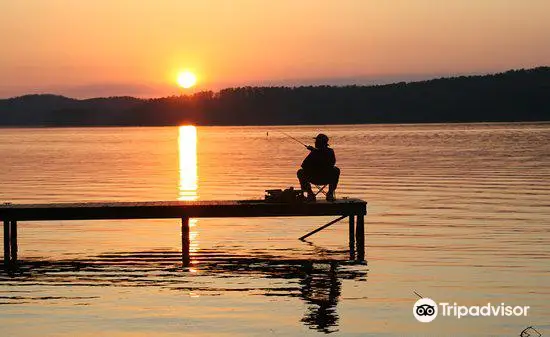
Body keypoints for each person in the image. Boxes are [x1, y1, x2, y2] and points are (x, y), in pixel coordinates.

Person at [297, 133, 340, 202]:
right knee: (336, 170)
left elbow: (303, 166)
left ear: (320, 143)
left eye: (316, 141)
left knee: (300, 172)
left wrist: (314, 151)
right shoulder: (330, 151)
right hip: (326, 178)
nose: (315, 142)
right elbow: (332, 163)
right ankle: (330, 193)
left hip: (314, 178)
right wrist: (314, 151)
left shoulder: (315, 152)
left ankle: (310, 193)